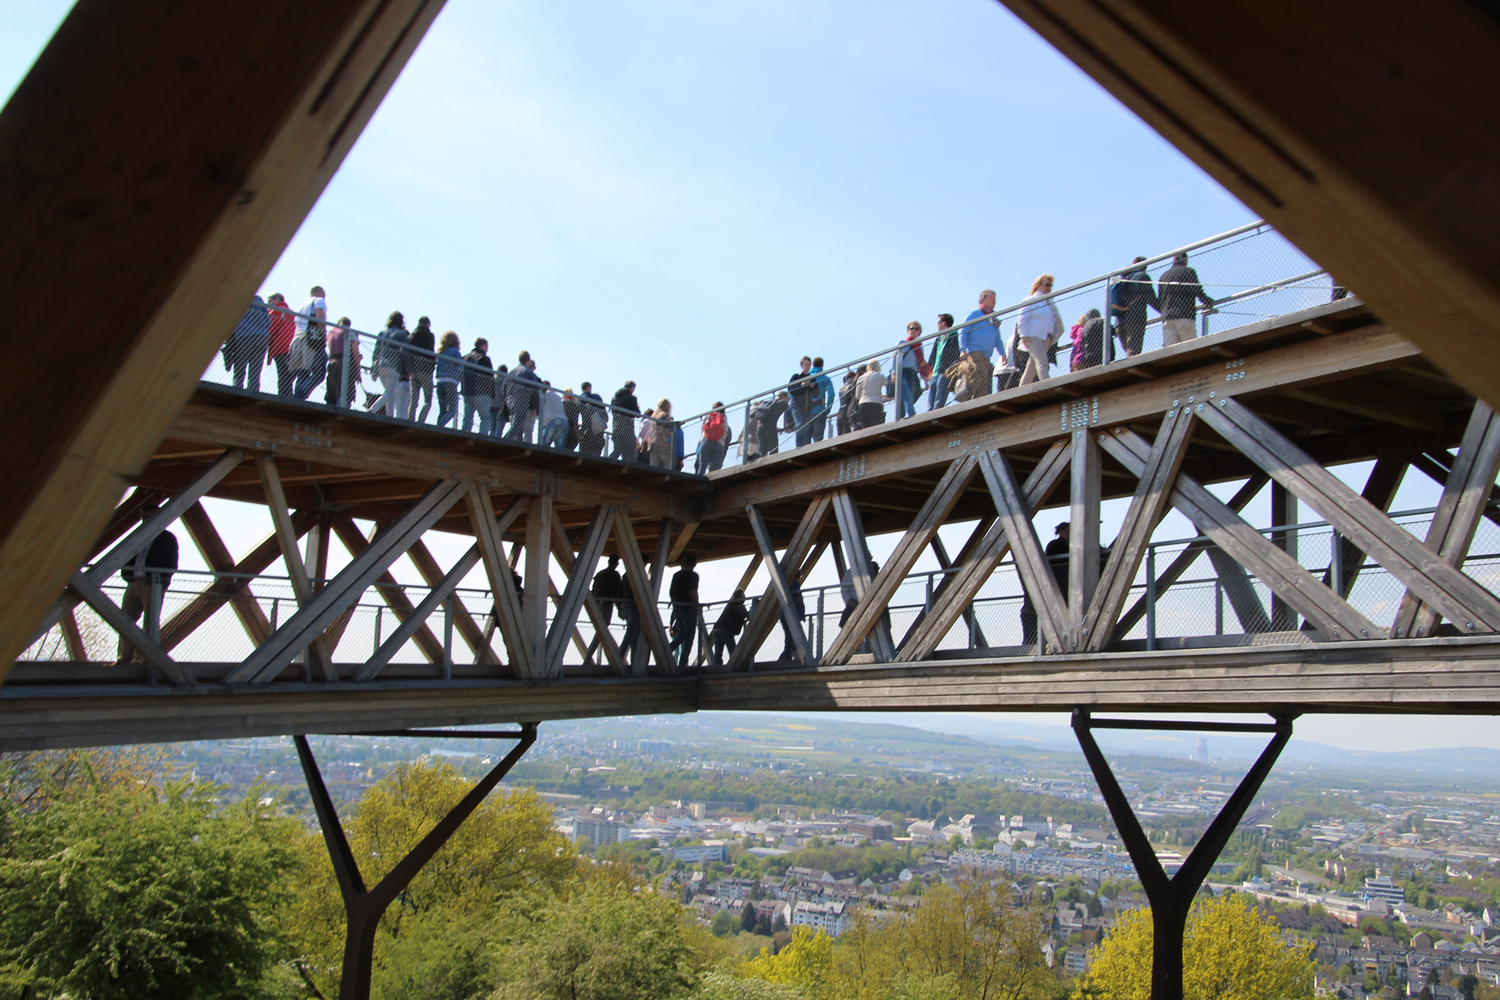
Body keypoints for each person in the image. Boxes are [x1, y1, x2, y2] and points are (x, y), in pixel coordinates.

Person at [116, 503, 178, 664]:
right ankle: (124, 657)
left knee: (150, 624)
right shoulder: (137, 537)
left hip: (153, 584)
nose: (145, 521)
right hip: (134, 582)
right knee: (124, 621)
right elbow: (127, 558)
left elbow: (171, 564)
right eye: (143, 518)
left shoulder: (167, 538)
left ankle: (148, 660)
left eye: (148, 517)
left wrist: (160, 581)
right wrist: (128, 576)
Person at [1020, 523, 1070, 650]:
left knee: (1033, 641)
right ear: (1062, 531)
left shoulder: (1058, 546)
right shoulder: (1056, 546)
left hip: (1052, 598)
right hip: (1053, 596)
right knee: (1033, 641)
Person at [1158, 251, 1215, 347]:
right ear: (1185, 261)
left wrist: (1163, 313)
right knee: (1190, 348)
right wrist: (1208, 301)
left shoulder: (1163, 276)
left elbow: (1160, 299)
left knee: (1170, 351)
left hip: (1167, 318)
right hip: (1184, 315)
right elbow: (1197, 290)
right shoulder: (1189, 272)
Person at [1017, 274, 1065, 386]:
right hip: (1033, 337)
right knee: (1042, 361)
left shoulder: (1049, 303)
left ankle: (1021, 389)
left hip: (1045, 338)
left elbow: (1053, 321)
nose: (1049, 287)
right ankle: (1047, 385)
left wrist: (1053, 336)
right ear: (1038, 285)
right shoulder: (1030, 300)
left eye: (1050, 285)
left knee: (1032, 367)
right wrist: (1023, 335)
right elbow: (1022, 319)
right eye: (1046, 284)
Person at [958, 289, 1004, 401]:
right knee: (980, 381)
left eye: (995, 299)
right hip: (976, 353)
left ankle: (980, 401)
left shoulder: (993, 319)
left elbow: (997, 338)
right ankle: (979, 402)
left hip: (987, 357)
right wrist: (963, 349)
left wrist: (1003, 354)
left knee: (984, 381)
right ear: (983, 299)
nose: (994, 301)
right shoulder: (975, 314)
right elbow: (963, 332)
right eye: (991, 298)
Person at [1111, 256, 1159, 357]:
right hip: (1135, 320)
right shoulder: (1142, 276)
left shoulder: (1121, 278)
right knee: (1133, 352)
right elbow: (1151, 299)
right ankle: (1131, 372)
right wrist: (1164, 310)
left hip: (1119, 323)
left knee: (1129, 351)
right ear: (1145, 266)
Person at [291, 285, 328, 400]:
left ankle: (298, 397)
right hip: (311, 339)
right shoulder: (319, 300)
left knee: (302, 371)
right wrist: (323, 335)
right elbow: (319, 318)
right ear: (320, 293)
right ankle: (301, 393)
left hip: (297, 338)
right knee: (319, 372)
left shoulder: (301, 305)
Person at [371, 311, 411, 419]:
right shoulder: (401, 334)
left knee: (390, 393)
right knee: (390, 393)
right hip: (393, 367)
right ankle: (373, 409)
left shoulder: (382, 333)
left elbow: (376, 352)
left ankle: (389, 416)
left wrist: (373, 368)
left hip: (380, 366)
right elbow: (404, 352)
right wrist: (409, 369)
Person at [228, 295, 271, 392]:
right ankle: (253, 390)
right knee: (256, 367)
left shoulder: (236, 299)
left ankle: (237, 389)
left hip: (244, 335)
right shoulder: (258, 299)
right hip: (262, 336)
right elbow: (269, 322)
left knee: (240, 364)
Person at [666, 555, 701, 668]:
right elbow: (692, 591)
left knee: (681, 635)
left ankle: (666, 652)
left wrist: (675, 604)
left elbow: (671, 591)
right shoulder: (693, 576)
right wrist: (696, 605)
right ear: (694, 564)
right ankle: (683, 664)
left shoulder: (676, 575)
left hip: (678, 608)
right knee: (689, 637)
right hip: (689, 608)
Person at [506, 351, 541, 443]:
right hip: (522, 401)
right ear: (528, 361)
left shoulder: (511, 372)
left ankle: (518, 443)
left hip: (510, 401)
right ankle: (504, 441)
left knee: (517, 425)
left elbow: (504, 387)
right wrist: (534, 407)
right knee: (517, 426)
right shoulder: (529, 373)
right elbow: (534, 391)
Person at [266, 293, 298, 396]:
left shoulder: (276, 310)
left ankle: (283, 396)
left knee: (282, 374)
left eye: (270, 300)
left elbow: (270, 328)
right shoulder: (293, 313)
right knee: (288, 375)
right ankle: (289, 396)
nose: (268, 304)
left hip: (280, 347)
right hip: (293, 347)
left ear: (277, 299)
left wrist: (265, 342)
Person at [926, 314, 960, 410]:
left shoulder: (954, 336)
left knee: (941, 388)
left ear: (943, 323)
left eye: (938, 322)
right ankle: (929, 413)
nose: (937, 325)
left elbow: (957, 354)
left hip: (946, 371)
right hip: (935, 371)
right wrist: (929, 370)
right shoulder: (938, 338)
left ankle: (937, 411)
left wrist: (949, 369)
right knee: (932, 386)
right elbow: (933, 356)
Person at [324, 316, 360, 407]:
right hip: (345, 363)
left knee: (332, 392)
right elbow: (355, 351)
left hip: (332, 363)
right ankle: (341, 410)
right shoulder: (349, 332)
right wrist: (358, 370)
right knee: (345, 392)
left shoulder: (331, 333)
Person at [406, 316, 437, 422]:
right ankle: (421, 420)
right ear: (428, 324)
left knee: (413, 399)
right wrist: (432, 366)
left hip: (413, 371)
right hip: (425, 371)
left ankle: (410, 420)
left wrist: (409, 369)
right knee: (428, 400)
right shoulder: (429, 335)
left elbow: (407, 353)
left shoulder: (410, 337)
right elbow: (430, 352)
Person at [461, 338, 495, 433]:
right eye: (487, 346)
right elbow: (489, 377)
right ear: (483, 345)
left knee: (467, 418)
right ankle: (482, 437)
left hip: (467, 392)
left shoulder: (465, 358)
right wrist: (491, 393)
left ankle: (464, 434)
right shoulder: (484, 358)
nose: (487, 349)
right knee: (485, 417)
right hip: (482, 392)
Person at [709, 589, 748, 666]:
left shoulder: (731, 604)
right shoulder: (738, 605)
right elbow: (747, 615)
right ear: (740, 596)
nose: (745, 597)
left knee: (718, 651)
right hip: (726, 629)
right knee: (732, 649)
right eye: (743, 595)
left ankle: (717, 666)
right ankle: (734, 665)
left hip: (718, 628)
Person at [896, 322, 927, 419]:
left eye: (916, 328)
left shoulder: (919, 346)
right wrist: (894, 373)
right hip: (903, 372)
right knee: (908, 396)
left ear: (919, 332)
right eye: (911, 328)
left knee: (907, 396)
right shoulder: (902, 343)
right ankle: (912, 416)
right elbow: (895, 358)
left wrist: (925, 378)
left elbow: (920, 363)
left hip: (913, 373)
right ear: (908, 331)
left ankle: (900, 416)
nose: (913, 330)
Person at [434, 331, 463, 427]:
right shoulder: (455, 351)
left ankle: (438, 426)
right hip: (451, 382)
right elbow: (460, 368)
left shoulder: (440, 352)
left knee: (442, 409)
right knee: (453, 409)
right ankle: (439, 426)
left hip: (439, 382)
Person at [787, 356, 817, 448]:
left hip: (807, 406)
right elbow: (791, 390)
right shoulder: (796, 376)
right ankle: (799, 445)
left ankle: (806, 445)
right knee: (799, 424)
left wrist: (813, 387)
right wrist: (801, 385)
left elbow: (816, 394)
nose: (808, 366)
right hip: (796, 404)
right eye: (805, 364)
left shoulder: (812, 378)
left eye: (809, 364)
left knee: (807, 426)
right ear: (802, 365)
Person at [697, 402, 732, 473]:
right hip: (719, 444)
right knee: (716, 469)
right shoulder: (724, 418)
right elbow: (725, 431)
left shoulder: (706, 417)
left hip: (706, 442)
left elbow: (702, 430)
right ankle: (714, 483)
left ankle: (699, 482)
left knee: (702, 466)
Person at [610, 381, 641, 462]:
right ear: (632, 387)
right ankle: (631, 470)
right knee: (631, 451)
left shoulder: (615, 397)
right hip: (627, 428)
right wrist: (636, 407)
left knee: (617, 450)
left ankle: (607, 462)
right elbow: (637, 414)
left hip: (616, 427)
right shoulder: (631, 398)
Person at [753, 392, 789, 458]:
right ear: (783, 396)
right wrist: (787, 426)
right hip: (770, 428)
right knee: (773, 452)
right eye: (788, 398)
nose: (789, 400)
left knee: (762, 452)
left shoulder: (769, 404)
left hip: (759, 428)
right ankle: (773, 466)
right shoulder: (782, 403)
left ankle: (762, 466)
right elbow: (788, 413)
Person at [777, 584, 806, 662]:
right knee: (791, 638)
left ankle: (785, 657)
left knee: (791, 639)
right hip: (791, 616)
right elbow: (798, 601)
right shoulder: (794, 586)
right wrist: (801, 615)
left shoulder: (790, 586)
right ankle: (786, 657)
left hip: (787, 616)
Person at [809, 358, 835, 442]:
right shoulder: (825, 378)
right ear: (822, 366)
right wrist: (827, 409)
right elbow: (831, 394)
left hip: (806, 413)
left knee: (805, 441)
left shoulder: (805, 378)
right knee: (818, 440)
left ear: (812, 365)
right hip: (820, 411)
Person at [578, 382, 607, 456]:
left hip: (587, 428)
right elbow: (605, 414)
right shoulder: (597, 397)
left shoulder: (581, 398)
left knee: (584, 452)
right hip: (598, 429)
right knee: (596, 453)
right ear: (589, 387)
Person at [855, 360, 885, 429]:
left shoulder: (861, 378)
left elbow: (857, 395)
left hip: (863, 403)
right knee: (876, 426)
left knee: (866, 427)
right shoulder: (880, 376)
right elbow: (888, 385)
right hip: (876, 402)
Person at [539, 381, 568, 448]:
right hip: (564, 422)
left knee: (543, 446)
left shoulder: (544, 395)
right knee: (560, 448)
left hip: (553, 421)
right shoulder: (557, 396)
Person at [489, 364, 509, 438]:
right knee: (498, 431)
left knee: (492, 430)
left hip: (491, 406)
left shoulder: (492, 380)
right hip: (501, 408)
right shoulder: (507, 382)